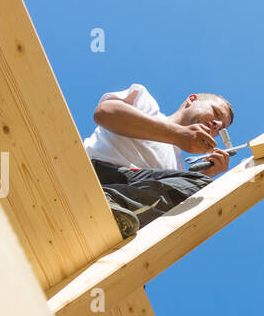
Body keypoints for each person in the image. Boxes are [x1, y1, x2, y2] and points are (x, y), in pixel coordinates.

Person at [83, 83, 234, 238]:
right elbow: (105, 113)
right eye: (215, 113)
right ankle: (107, 203)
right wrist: (177, 134)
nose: (218, 125)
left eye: (222, 129)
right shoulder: (146, 104)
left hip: (127, 207)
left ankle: (114, 209)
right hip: (95, 175)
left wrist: (204, 175)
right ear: (192, 100)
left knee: (201, 190)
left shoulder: (178, 169)